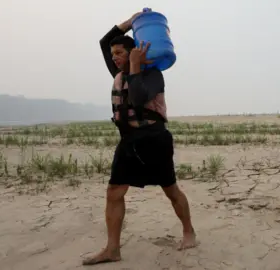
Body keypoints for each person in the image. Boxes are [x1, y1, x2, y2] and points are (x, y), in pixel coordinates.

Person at [82, 12, 196, 265]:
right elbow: (105, 42)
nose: (114, 59)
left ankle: (189, 232)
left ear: (134, 53)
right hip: (129, 140)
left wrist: (135, 64)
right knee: (114, 191)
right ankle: (113, 249)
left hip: (154, 139)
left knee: (171, 190)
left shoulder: (153, 74)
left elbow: (137, 99)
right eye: (114, 56)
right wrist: (131, 21)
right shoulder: (121, 69)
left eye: (120, 54)